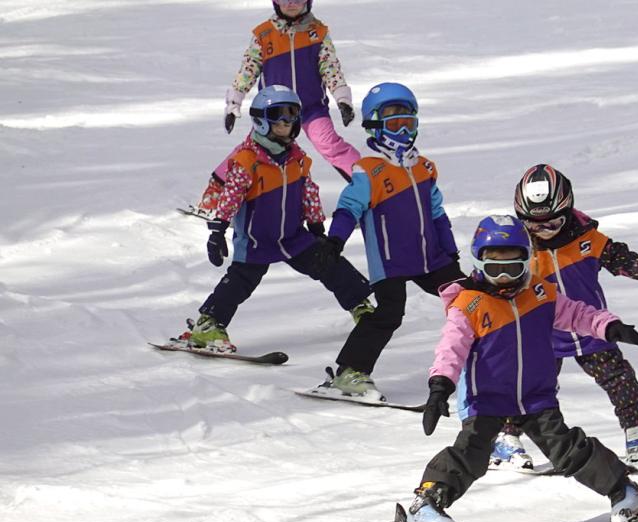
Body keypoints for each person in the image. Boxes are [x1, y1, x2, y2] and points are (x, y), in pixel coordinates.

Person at [403, 216, 638, 522]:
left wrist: (608, 326)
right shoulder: (469, 305)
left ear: (528, 261)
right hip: (488, 400)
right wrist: (440, 385)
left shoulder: (540, 293)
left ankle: (626, 492)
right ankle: (426, 502)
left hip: (536, 397)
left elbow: (577, 313)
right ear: (479, 263)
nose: (506, 276)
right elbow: (450, 350)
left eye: (514, 265)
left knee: (567, 449)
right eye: (496, 268)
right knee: (471, 453)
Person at [488, 164, 638, 469]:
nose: (544, 231)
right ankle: (506, 438)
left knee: (619, 380)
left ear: (569, 211)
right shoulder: (521, 250)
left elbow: (624, 260)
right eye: (535, 225)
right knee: (527, 386)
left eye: (553, 222)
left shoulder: (588, 241)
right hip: (542, 333)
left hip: (594, 329)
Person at [177, 85, 371, 352]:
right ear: (262, 121)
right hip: (257, 239)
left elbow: (309, 194)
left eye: (293, 117)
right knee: (239, 283)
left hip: (293, 237)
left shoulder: (297, 159)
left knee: (331, 265)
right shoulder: (247, 161)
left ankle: (361, 305)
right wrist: (217, 231)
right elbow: (230, 197)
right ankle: (208, 325)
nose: (288, 124)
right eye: (281, 119)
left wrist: (316, 228)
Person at [315, 82, 466, 399]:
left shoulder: (424, 168)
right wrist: (334, 241)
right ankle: (350, 372)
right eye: (393, 122)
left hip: (432, 258)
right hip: (391, 263)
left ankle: (484, 358)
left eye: (407, 122)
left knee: (468, 299)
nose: (402, 130)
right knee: (389, 313)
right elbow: (348, 208)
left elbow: (437, 213)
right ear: (374, 125)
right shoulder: (368, 171)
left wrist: (450, 252)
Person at [195, 0, 361, 216]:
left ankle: (369, 188)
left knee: (331, 145)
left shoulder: (317, 33)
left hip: (311, 109)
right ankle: (215, 194)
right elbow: (248, 69)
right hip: (274, 113)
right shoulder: (264, 35)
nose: (291, 4)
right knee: (249, 151)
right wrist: (235, 101)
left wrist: (342, 98)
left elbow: (330, 68)